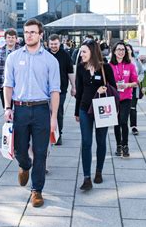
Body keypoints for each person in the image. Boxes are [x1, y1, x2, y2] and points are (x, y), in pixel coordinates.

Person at [3, 18, 60, 208]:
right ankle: (25, 165)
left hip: (41, 109)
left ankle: (37, 190)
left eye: (33, 32)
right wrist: (7, 107)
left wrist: (53, 118)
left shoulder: (50, 60)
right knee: (19, 149)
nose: (29, 35)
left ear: (40, 34)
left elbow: (55, 90)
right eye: (26, 32)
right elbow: (8, 85)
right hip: (19, 109)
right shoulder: (13, 57)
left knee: (41, 152)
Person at [75, 39, 117, 191]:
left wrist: (104, 88)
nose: (81, 54)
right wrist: (76, 111)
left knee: (101, 140)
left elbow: (113, 88)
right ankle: (86, 177)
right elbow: (78, 91)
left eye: (84, 51)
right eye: (81, 51)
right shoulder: (80, 68)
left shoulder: (105, 67)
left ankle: (98, 171)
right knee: (86, 142)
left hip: (102, 109)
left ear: (92, 52)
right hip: (85, 109)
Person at [110, 42, 138, 158]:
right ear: (114, 51)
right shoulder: (109, 65)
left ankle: (125, 145)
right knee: (116, 123)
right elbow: (106, 82)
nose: (121, 51)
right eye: (118, 49)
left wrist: (127, 85)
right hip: (114, 98)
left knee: (123, 121)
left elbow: (136, 82)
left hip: (126, 98)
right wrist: (113, 85)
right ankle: (118, 145)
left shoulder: (130, 65)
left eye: (123, 50)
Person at [48, 34, 76, 145]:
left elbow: (70, 71)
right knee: (46, 112)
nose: (53, 46)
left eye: (55, 44)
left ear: (59, 43)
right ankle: (48, 134)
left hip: (61, 89)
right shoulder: (44, 54)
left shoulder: (65, 55)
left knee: (58, 111)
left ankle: (58, 135)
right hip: (45, 89)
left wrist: (74, 86)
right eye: (51, 44)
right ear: (48, 44)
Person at [0, 28, 20, 109]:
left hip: (18, 85)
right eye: (9, 37)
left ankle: (16, 121)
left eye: (13, 37)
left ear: (16, 39)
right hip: (3, 83)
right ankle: (8, 121)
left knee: (18, 108)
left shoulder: (21, 51)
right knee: (6, 107)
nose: (10, 39)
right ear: (5, 39)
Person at [126, 44, 146, 136]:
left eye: (128, 49)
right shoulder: (121, 61)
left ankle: (133, 126)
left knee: (133, 107)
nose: (126, 51)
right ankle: (122, 125)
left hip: (134, 88)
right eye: (125, 49)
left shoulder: (136, 61)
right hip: (124, 88)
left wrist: (138, 80)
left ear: (131, 50)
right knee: (123, 107)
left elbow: (142, 72)